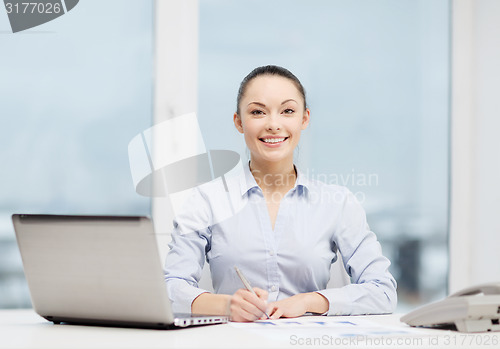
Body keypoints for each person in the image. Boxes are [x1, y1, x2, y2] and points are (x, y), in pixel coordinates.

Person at [164, 65, 397, 322]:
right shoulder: (206, 201)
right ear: (239, 122)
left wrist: (310, 300)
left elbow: (382, 291)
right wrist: (224, 305)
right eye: (257, 112)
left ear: (304, 119)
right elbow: (169, 287)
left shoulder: (337, 202)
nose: (273, 124)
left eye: (287, 111)